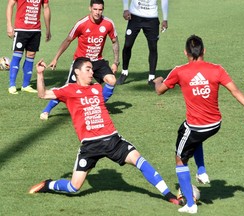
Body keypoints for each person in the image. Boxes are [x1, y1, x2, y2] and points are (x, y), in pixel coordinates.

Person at [29, 57, 183, 206]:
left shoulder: (97, 88)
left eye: (92, 69)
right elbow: (42, 94)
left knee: (139, 160)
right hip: (90, 146)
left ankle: (169, 196)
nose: (91, 72)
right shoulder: (68, 90)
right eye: (88, 69)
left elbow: (109, 85)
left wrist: (113, 67)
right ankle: (48, 185)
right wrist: (40, 74)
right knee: (73, 187)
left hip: (112, 140)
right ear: (76, 71)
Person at [153, 34, 244, 214]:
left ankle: (190, 204)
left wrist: (157, 80)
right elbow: (235, 91)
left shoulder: (179, 71)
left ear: (185, 52)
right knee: (187, 132)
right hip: (215, 124)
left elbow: (159, 90)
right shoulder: (217, 69)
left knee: (180, 158)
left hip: (197, 127)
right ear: (204, 51)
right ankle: (202, 171)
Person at [40, 0, 119, 120]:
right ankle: (47, 110)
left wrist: (115, 62)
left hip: (98, 61)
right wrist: (55, 58)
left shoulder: (108, 23)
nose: (97, 12)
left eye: (100, 9)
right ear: (90, 8)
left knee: (111, 80)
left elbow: (115, 41)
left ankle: (97, 107)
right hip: (81, 62)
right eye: (95, 9)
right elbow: (68, 40)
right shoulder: (81, 24)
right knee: (69, 89)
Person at [116, 0, 168, 86]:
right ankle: (124, 72)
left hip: (152, 18)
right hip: (134, 16)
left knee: (153, 47)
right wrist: (125, 8)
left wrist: (165, 19)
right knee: (127, 45)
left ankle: (151, 77)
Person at [6, 0, 51, 94]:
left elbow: (46, 8)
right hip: (20, 29)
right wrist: (9, 25)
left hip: (35, 30)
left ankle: (25, 85)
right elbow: (10, 5)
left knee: (31, 55)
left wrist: (48, 28)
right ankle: (12, 85)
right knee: (17, 54)